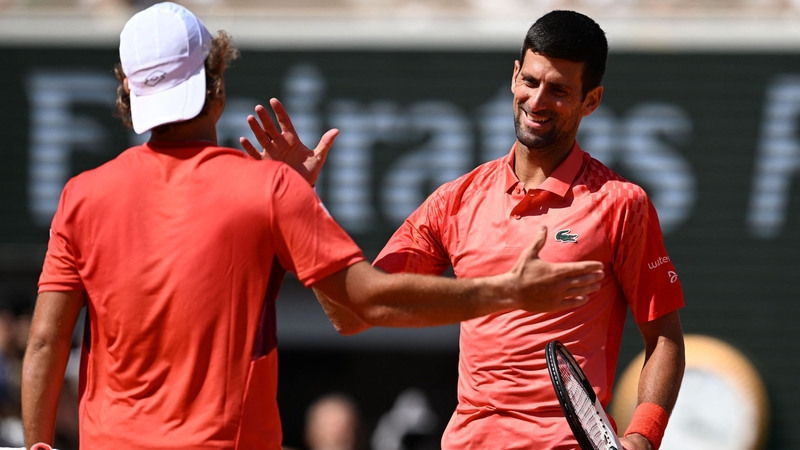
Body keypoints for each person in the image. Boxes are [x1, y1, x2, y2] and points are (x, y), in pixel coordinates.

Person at [20, 3, 606, 450]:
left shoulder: (81, 195)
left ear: (129, 92)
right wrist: (506, 291)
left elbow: (47, 340)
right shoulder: (268, 188)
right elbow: (364, 305)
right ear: (216, 86)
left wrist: (39, 443)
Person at [243, 10, 685, 450]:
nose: (537, 101)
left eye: (559, 90)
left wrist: (644, 436)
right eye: (530, 82)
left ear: (591, 101)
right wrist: (302, 203)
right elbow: (355, 312)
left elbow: (664, 337)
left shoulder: (622, 203)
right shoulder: (454, 201)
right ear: (514, 77)